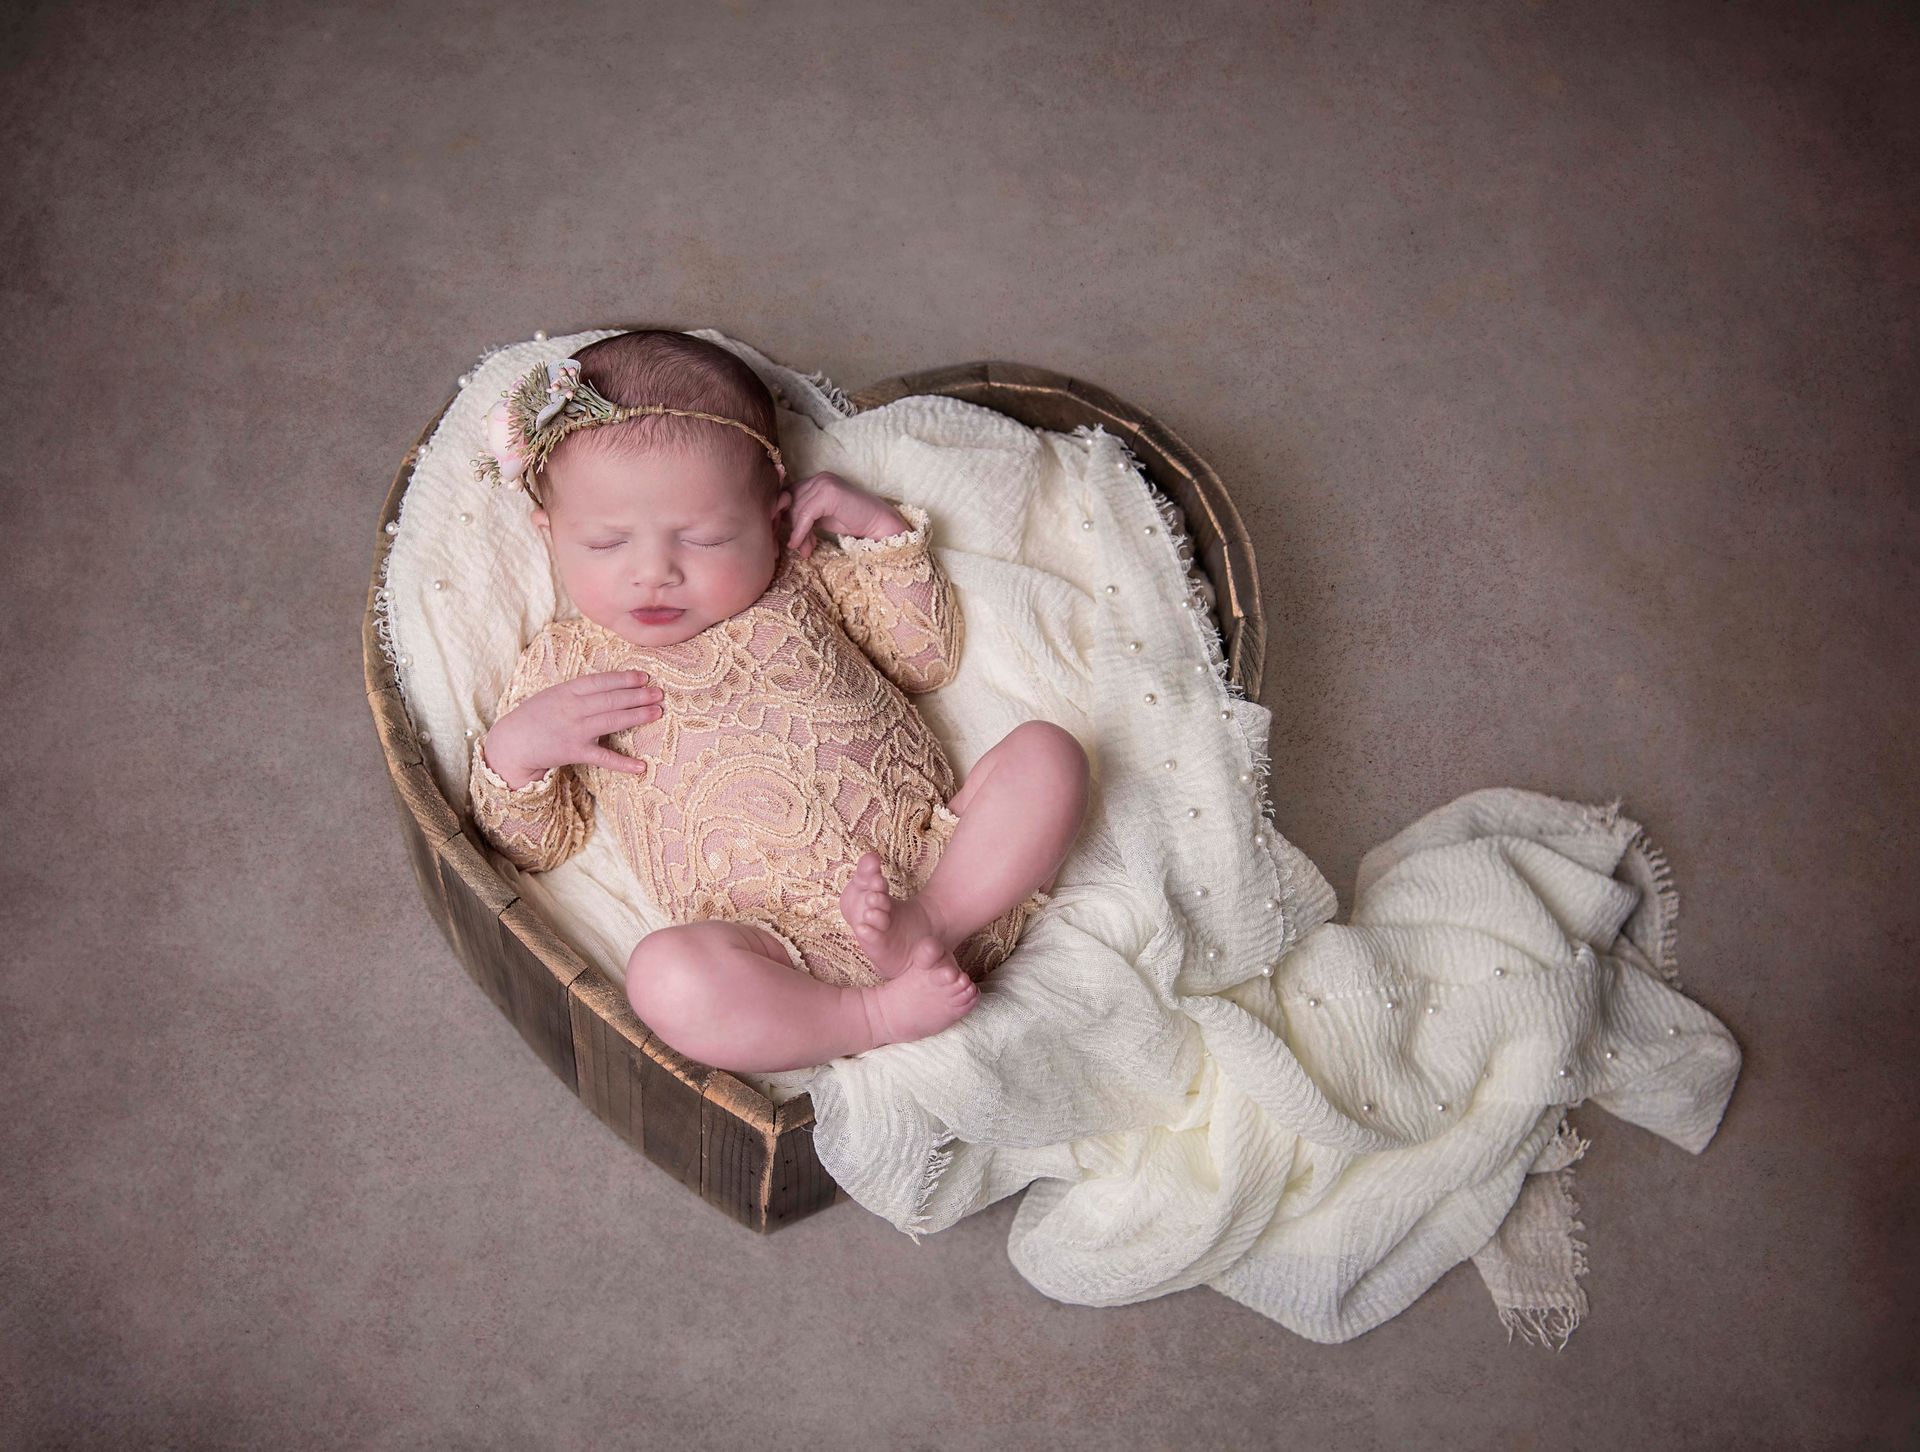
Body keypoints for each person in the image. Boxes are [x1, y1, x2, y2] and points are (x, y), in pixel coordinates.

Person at [466, 331, 1090, 1074]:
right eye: (605, 544)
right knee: (664, 977)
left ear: (773, 516)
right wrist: (518, 749)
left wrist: (880, 532)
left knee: (1050, 753)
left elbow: (923, 658)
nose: (653, 574)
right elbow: (540, 846)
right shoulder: (568, 662)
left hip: (948, 877)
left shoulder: (801, 581)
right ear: (551, 535)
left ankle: (927, 926)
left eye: (702, 539)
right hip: (777, 956)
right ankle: (874, 1015)